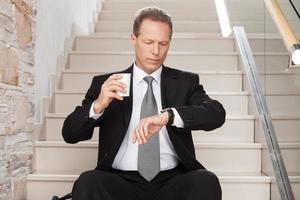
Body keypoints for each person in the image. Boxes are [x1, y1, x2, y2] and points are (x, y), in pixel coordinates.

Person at [62, 6, 226, 200]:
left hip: (171, 182)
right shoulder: (107, 84)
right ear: (133, 39)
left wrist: (168, 116)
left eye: (163, 43)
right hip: (121, 183)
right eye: (148, 42)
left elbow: (216, 114)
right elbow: (70, 134)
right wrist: (98, 105)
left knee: (206, 181)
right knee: (88, 181)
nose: (155, 51)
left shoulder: (185, 83)